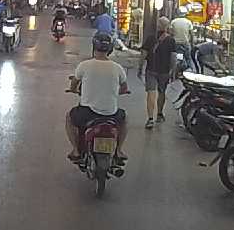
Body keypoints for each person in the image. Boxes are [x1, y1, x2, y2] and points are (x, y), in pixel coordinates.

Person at [66, 32, 129, 161]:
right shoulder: (118, 68)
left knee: (69, 117)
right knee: (125, 119)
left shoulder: (84, 65)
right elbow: (124, 88)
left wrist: (73, 90)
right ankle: (119, 150)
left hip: (87, 114)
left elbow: (74, 84)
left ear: (94, 47)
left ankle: (76, 150)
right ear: (110, 49)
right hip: (111, 114)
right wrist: (117, 92)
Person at [139, 16, 176, 129]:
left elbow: (143, 54)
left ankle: (150, 119)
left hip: (151, 69)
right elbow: (173, 57)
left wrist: (140, 68)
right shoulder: (171, 40)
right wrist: (172, 71)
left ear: (158, 26)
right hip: (164, 71)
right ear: (167, 26)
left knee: (151, 93)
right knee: (162, 92)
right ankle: (159, 114)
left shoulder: (151, 38)